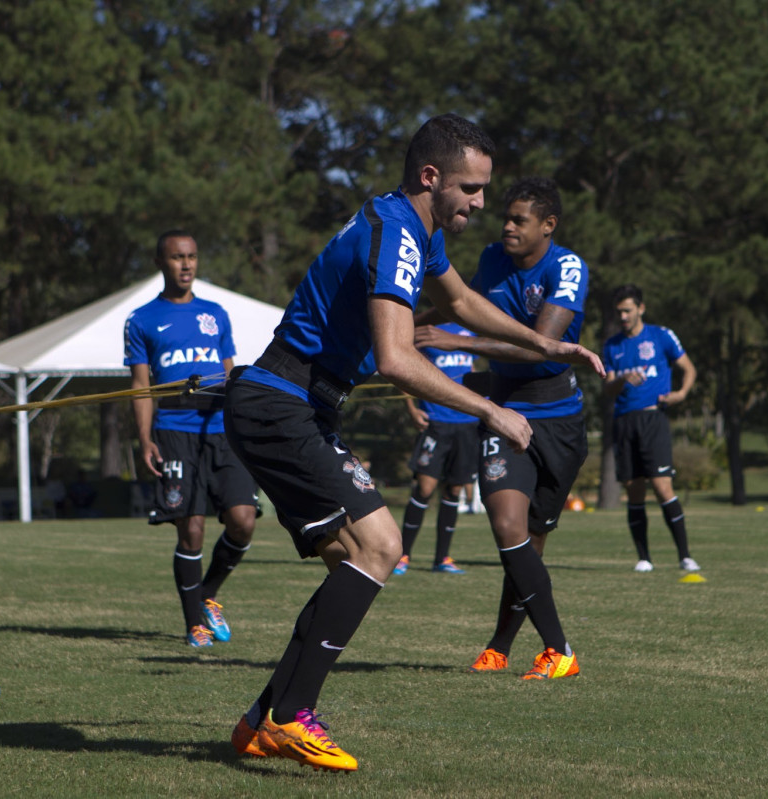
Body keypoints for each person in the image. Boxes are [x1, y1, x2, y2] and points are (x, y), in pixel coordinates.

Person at [224, 117, 603, 772]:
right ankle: (291, 715)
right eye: (472, 188)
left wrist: (542, 343)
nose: (482, 204)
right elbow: (398, 357)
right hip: (281, 407)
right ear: (432, 178)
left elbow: (458, 301)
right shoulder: (397, 233)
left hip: (292, 408)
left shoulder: (405, 226)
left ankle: (263, 716)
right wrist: (493, 408)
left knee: (353, 556)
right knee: (382, 546)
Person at [415, 176, 590, 683]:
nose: (507, 226)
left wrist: (456, 342)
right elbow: (458, 306)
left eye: (519, 220)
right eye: (506, 218)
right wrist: (406, 326)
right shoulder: (492, 258)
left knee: (529, 544)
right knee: (508, 528)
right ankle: (560, 650)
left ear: (548, 226)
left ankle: (499, 645)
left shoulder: (568, 267)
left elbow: (541, 344)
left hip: (559, 420)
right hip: (504, 410)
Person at [124, 230, 261, 648]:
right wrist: (145, 439)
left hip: (221, 430)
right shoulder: (141, 320)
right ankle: (193, 625)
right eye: (177, 257)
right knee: (193, 531)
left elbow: (228, 370)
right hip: (175, 433)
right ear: (161, 262)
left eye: (192, 257)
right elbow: (141, 387)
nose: (186, 265)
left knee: (243, 521)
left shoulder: (216, 313)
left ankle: (208, 595)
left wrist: (243, 421)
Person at [602, 284, 700, 573]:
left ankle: (685, 555)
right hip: (624, 421)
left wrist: (680, 394)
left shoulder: (661, 336)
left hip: (653, 419)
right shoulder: (612, 345)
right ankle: (644, 558)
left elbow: (689, 368)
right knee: (634, 490)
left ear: (640, 309)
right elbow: (607, 389)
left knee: (661, 485)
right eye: (619, 311)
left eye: (628, 310)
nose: (623, 317)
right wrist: (621, 381)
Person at [394, 322, 480, 576]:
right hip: (436, 423)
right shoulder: (427, 331)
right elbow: (400, 365)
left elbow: (470, 367)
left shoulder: (469, 331)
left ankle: (442, 558)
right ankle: (402, 555)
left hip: (466, 423)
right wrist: (411, 409)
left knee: (454, 490)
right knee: (424, 488)